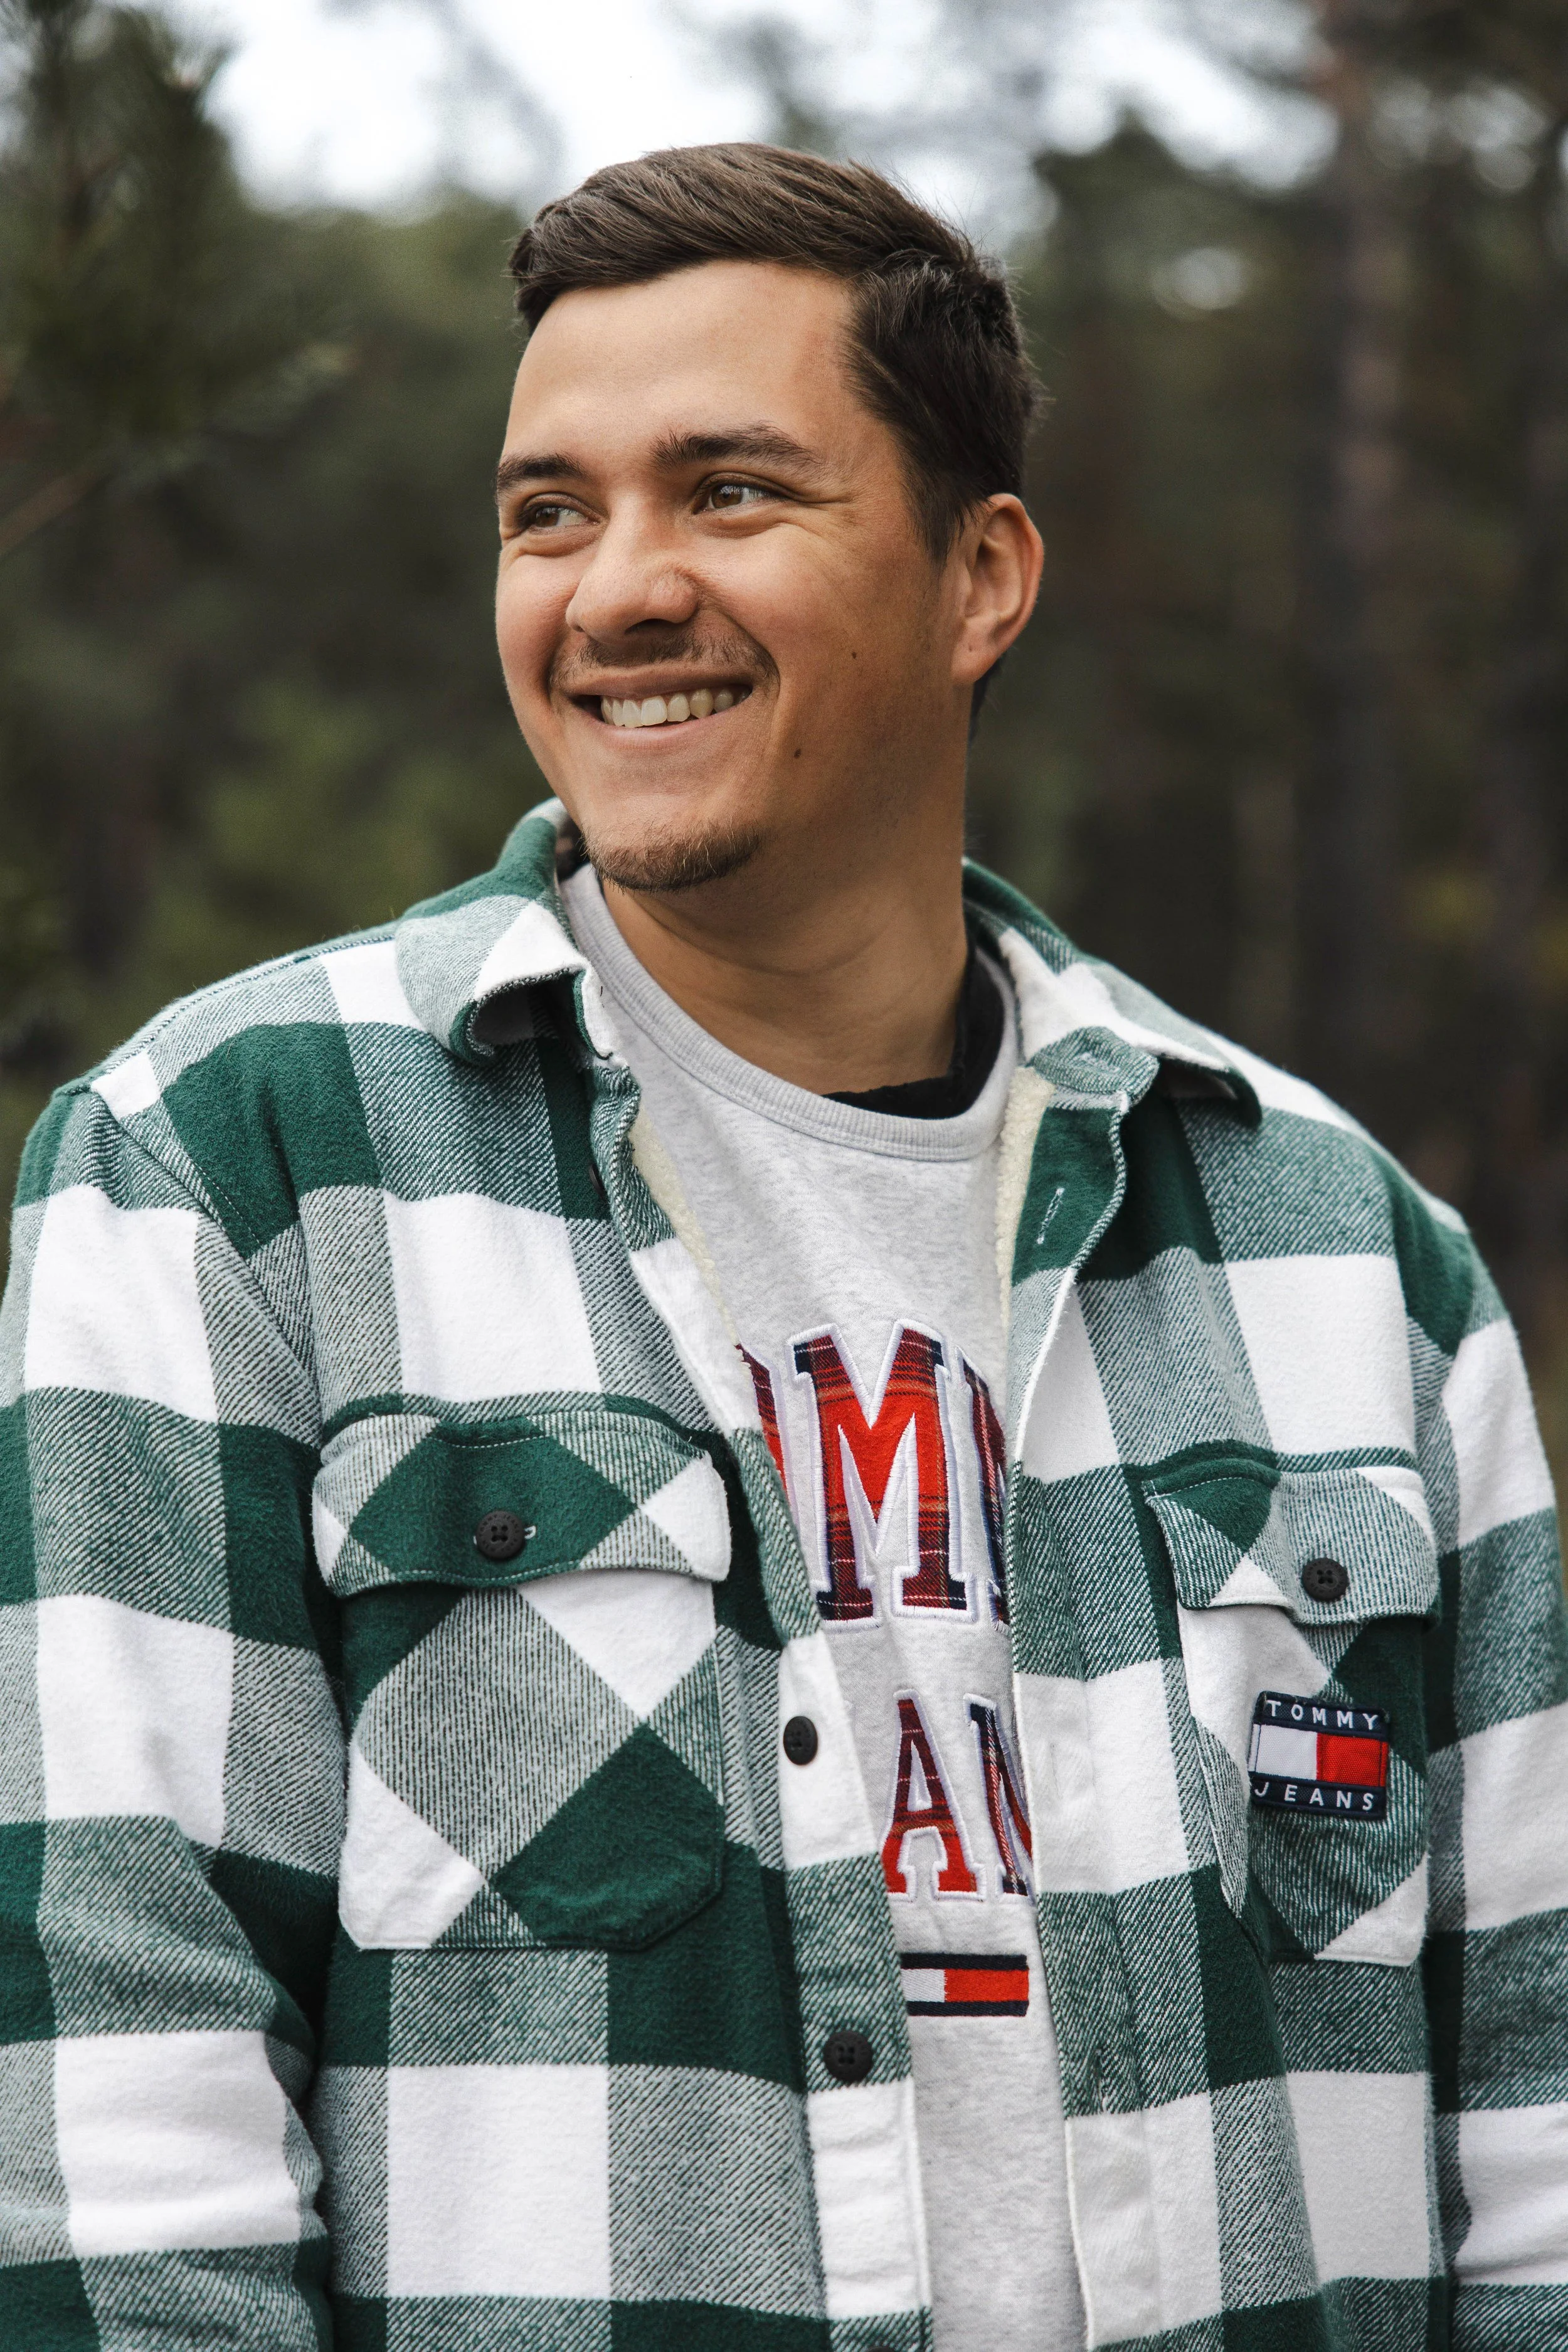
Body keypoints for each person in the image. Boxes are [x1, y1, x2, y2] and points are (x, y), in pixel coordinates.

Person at [1, 139, 1563, 2352]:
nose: (616, 587)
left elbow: (1536, 2121)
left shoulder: (1346, 1254)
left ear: (978, 578)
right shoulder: (231, 1178)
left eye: (727, 491)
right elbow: (116, 2131)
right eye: (550, 510)